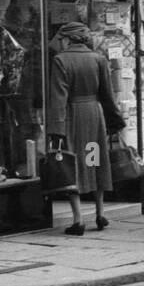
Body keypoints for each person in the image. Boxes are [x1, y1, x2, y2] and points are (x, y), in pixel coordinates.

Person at [45, 21, 124, 235]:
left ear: (68, 39)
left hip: (72, 116)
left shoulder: (61, 60)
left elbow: (58, 98)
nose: (60, 43)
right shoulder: (98, 59)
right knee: (93, 159)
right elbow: (108, 94)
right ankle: (99, 213)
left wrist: (56, 130)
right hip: (94, 115)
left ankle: (78, 219)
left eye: (61, 39)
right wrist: (115, 120)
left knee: (73, 164)